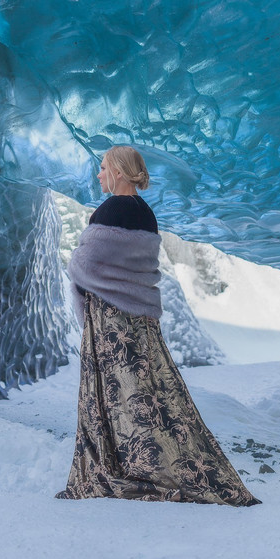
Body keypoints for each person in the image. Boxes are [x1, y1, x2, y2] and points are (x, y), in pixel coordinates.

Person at [56, 145, 260, 506]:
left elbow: (84, 266)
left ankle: (116, 467)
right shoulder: (146, 214)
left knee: (109, 394)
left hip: (110, 318)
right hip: (140, 319)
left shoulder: (109, 210)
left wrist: (78, 269)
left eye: (103, 168)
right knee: (148, 391)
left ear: (119, 172)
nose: (99, 174)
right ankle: (171, 462)